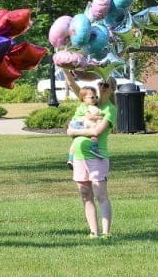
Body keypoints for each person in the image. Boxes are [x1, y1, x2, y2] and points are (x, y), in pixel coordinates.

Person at [64, 70, 117, 238]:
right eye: (100, 84)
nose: (102, 87)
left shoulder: (109, 109)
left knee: (100, 194)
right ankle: (94, 232)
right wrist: (64, 67)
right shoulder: (87, 102)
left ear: (112, 89)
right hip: (79, 157)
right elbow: (72, 84)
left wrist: (74, 131)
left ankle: (106, 233)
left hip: (97, 157)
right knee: (86, 195)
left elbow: (97, 131)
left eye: (106, 85)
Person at [66, 103, 103, 168]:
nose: (94, 99)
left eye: (95, 98)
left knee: (75, 142)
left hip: (75, 123)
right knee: (93, 132)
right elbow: (90, 117)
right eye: (92, 98)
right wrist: (100, 117)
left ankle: (70, 159)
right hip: (78, 124)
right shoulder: (84, 106)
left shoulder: (83, 106)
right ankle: (94, 148)